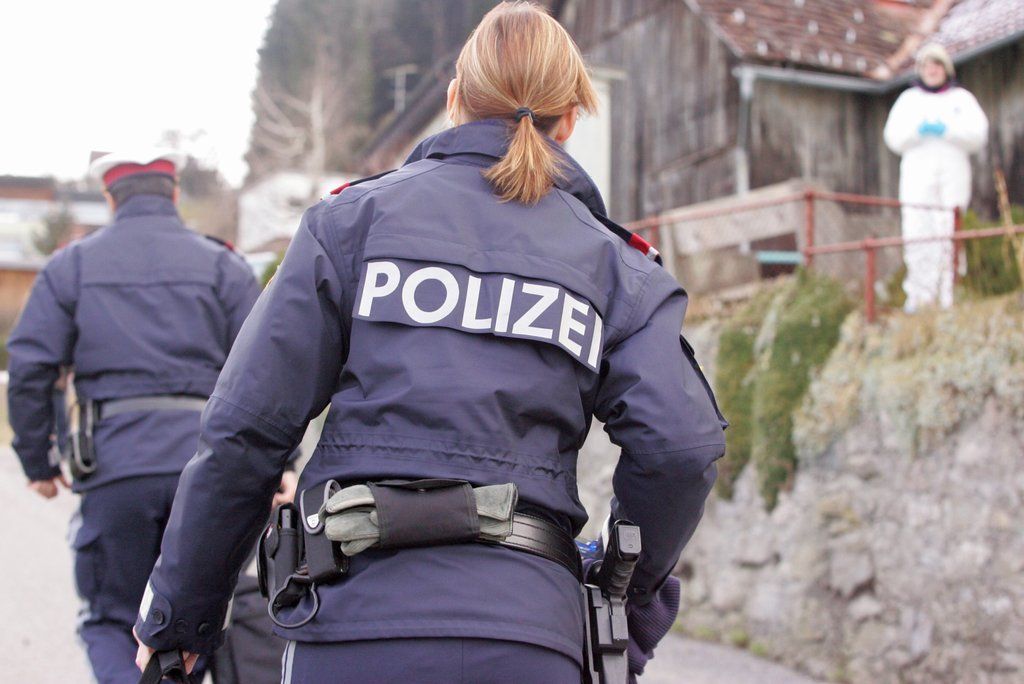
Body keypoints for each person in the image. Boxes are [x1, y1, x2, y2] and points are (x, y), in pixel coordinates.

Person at [134, 3, 726, 682]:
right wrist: (624, 594)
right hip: (531, 639)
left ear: (453, 102)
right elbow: (679, 449)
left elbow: (246, 432)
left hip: (353, 626)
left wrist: (180, 621)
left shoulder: (349, 225)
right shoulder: (619, 269)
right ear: (569, 120)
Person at [5, 149, 297, 684]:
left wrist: (38, 464)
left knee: (113, 621)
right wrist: (283, 463)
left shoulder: (70, 267)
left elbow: (29, 370)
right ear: (175, 193)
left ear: (110, 197)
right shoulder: (222, 265)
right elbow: (269, 368)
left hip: (119, 471)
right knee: (208, 614)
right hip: (212, 471)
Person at [883, 42, 989, 312]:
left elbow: (978, 134)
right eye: (927, 66)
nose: (932, 70)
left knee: (949, 231)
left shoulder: (961, 100)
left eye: (937, 65)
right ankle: (919, 297)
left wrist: (948, 130)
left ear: (946, 69)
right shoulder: (909, 101)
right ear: (921, 70)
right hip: (917, 178)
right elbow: (893, 137)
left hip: (952, 176)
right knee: (918, 232)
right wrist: (917, 131)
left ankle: (949, 294)